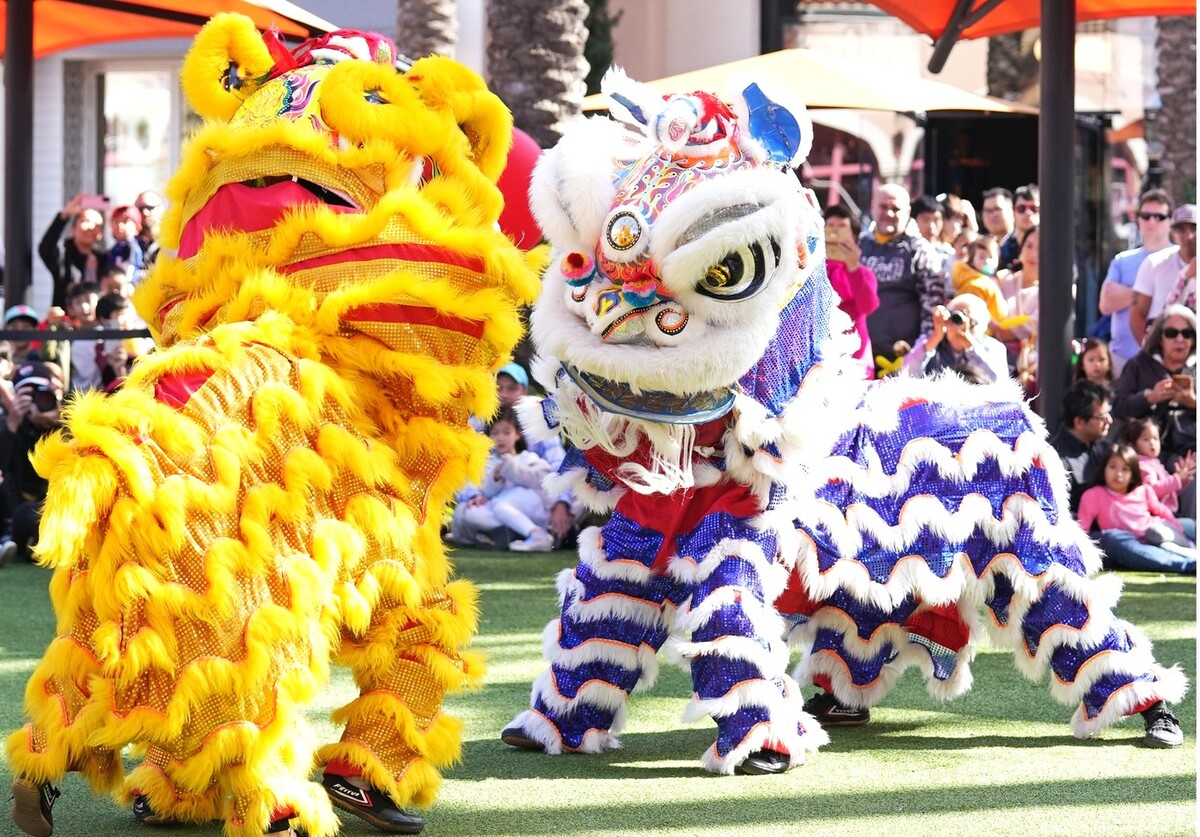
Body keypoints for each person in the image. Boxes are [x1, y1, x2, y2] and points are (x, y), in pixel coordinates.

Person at [1111, 304, 1197, 517]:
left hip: (1190, 446)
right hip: (1149, 451)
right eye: (1171, 333)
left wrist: (1192, 402)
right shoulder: (1139, 365)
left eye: (1187, 334)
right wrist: (1150, 397)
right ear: (1160, 337)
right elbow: (1117, 406)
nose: (1180, 340)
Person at [861, 183, 945, 371]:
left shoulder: (921, 250)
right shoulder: (858, 245)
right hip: (860, 358)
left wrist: (918, 355)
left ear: (907, 212)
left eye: (896, 209)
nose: (889, 214)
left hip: (905, 361)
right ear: (873, 206)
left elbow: (933, 310)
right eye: (883, 207)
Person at [1077, 443, 1196, 575]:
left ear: (1133, 475)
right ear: (1104, 469)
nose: (1118, 474)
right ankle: (1189, 564)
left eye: (1125, 469)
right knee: (1112, 538)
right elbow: (1083, 531)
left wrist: (1178, 529)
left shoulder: (1144, 490)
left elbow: (1162, 511)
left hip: (1159, 532)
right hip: (1134, 543)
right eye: (1112, 467)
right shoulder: (1093, 495)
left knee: (1188, 526)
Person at [450, 407, 556, 551]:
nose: (500, 438)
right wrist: (495, 477)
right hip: (500, 511)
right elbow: (486, 492)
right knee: (466, 512)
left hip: (530, 508)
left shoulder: (528, 457)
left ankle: (537, 534)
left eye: (506, 432)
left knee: (500, 505)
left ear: (517, 434)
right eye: (495, 433)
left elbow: (543, 479)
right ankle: (513, 533)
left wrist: (512, 469)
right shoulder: (488, 462)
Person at [1098, 189, 1173, 373]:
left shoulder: (1178, 258)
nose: (1151, 222)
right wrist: (1151, 293)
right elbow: (1106, 304)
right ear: (1138, 219)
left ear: (1170, 221)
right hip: (1121, 360)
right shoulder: (1122, 260)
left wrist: (1127, 293)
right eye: (1146, 215)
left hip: (1166, 362)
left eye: (1159, 217)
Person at [0, 361, 65, 566]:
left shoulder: (64, 421)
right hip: (14, 508)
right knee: (25, 514)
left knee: (34, 514)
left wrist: (59, 422)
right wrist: (12, 425)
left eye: (42, 393)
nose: (38, 401)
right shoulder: (9, 425)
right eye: (28, 395)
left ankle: (35, 543)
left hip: (53, 505)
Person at [823, 204, 879, 379]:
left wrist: (853, 267)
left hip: (855, 355)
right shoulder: (812, 271)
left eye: (842, 228)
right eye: (830, 226)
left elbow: (868, 306)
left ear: (854, 237)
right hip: (821, 354)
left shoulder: (863, 273)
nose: (835, 234)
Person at [902, 294, 1008, 384]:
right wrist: (936, 336)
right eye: (956, 318)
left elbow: (1000, 383)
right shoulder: (931, 341)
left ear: (984, 326)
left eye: (971, 323)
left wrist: (970, 346)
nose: (962, 326)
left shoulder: (995, 347)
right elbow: (907, 374)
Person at [1130, 204, 1196, 346]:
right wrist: (1149, 353)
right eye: (1181, 229)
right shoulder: (1155, 263)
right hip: (1165, 352)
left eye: (1194, 228)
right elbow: (1137, 313)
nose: (1189, 236)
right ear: (1173, 233)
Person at [1048, 379, 1114, 513]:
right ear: (1079, 422)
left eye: (1109, 412)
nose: (1109, 420)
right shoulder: (1056, 460)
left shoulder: (1103, 446)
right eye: (1102, 417)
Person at [37, 193, 109, 310]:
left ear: (100, 233)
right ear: (73, 229)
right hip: (65, 322)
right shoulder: (63, 255)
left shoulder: (104, 259)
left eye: (96, 224)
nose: (91, 227)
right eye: (85, 221)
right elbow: (46, 248)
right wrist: (65, 215)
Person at [993, 225, 1040, 393]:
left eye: (1040, 248)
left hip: (1030, 368)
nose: (1033, 253)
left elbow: (1027, 328)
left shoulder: (1050, 293)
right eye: (1029, 245)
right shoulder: (1002, 278)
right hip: (993, 360)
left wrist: (999, 327)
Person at [1122, 416, 1195, 515]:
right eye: (1146, 439)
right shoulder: (1142, 466)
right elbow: (1154, 489)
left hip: (1168, 513)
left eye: (1155, 438)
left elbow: (1170, 492)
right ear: (1135, 445)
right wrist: (1177, 478)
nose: (1152, 443)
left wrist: (1183, 479)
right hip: (1156, 515)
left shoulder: (1156, 463)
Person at [949, 235, 1008, 327]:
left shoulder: (990, 279)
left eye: (991, 257)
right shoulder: (975, 285)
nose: (987, 261)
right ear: (972, 260)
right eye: (981, 257)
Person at [999, 183, 1039, 271]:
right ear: (1013, 211)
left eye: (1034, 208)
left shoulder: (1051, 245)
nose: (1028, 213)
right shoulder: (1004, 247)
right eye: (1021, 208)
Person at [106, 204, 145, 276]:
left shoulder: (134, 246)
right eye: (116, 221)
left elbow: (132, 267)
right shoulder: (114, 249)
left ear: (137, 228)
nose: (120, 225)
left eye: (125, 222)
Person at [134, 190, 165, 268]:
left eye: (149, 207)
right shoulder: (128, 244)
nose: (145, 212)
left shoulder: (173, 242)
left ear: (162, 209)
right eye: (140, 208)